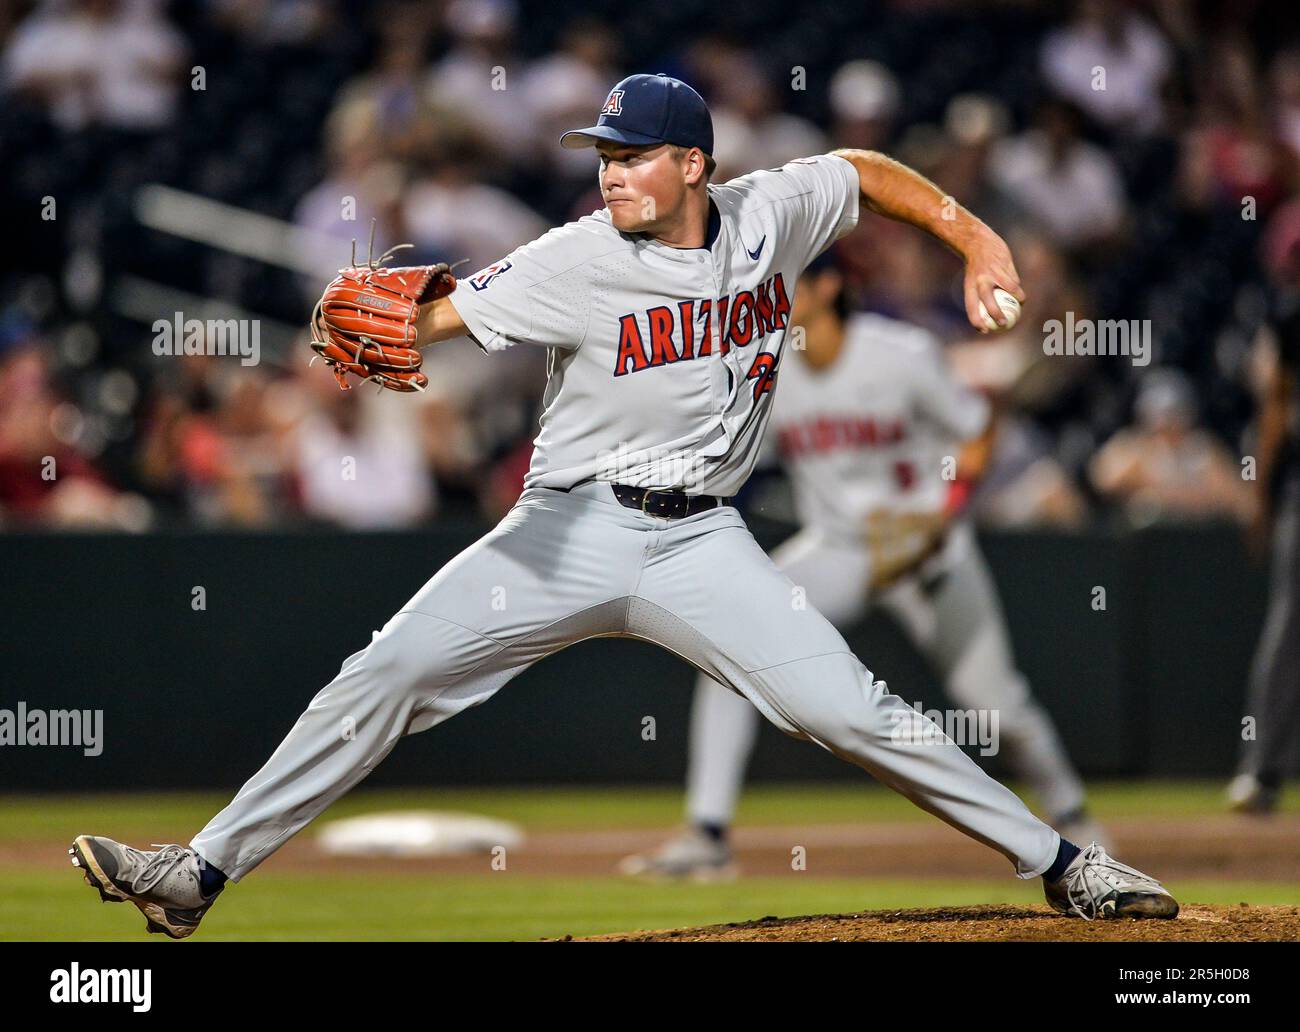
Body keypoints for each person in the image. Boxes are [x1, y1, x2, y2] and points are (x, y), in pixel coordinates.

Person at [69, 73, 1177, 938]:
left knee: (849, 711)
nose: (608, 174)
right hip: (564, 530)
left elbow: (863, 170)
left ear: (693, 163)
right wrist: (369, 322)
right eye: (601, 155)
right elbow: (436, 318)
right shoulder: (573, 259)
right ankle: (199, 872)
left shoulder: (769, 215)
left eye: (631, 156)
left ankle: (1065, 865)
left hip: (702, 538)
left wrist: (973, 234)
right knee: (387, 672)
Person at [620, 256, 1106, 880]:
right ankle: (706, 835)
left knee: (997, 706)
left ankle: (1077, 819)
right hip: (840, 549)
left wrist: (945, 512)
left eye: (788, 281)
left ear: (829, 287)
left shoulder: (898, 352)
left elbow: (979, 426)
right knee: (729, 648)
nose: (773, 293)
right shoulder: (771, 368)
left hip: (925, 549)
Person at [1228, 296, 1300, 813]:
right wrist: (1261, 495)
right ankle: (1262, 769)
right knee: (1289, 628)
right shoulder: (1293, 314)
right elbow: (1275, 403)